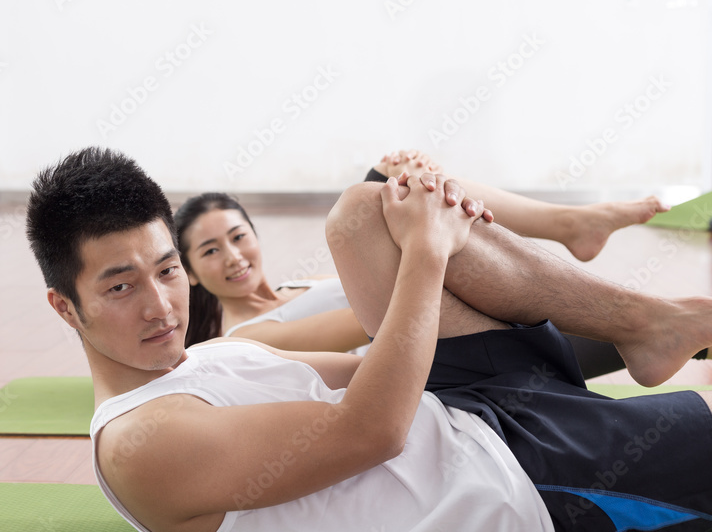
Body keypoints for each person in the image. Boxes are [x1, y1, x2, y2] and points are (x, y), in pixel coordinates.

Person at [25, 146, 712, 532]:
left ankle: (650, 326)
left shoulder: (204, 359)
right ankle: (648, 328)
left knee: (366, 205)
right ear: (65, 305)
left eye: (166, 269)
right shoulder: (139, 444)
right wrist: (426, 249)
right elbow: (373, 429)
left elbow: (372, 362)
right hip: (519, 490)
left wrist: (412, 217)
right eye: (120, 287)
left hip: (465, 407)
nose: (160, 304)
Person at [175, 152, 685, 378]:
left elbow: (365, 266)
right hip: (427, 354)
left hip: (439, 305)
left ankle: (571, 226)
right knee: (400, 194)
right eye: (211, 251)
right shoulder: (239, 338)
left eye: (238, 237)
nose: (234, 257)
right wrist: (423, 240)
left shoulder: (298, 285)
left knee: (397, 184)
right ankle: (571, 228)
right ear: (191, 273)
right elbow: (372, 309)